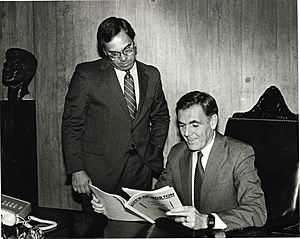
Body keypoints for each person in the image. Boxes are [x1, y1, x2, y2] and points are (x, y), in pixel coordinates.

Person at [92, 91, 267, 231]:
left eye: (194, 124)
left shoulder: (239, 153)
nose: (187, 133)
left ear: (212, 121)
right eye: (182, 125)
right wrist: (113, 209)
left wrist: (208, 221)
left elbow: (258, 211)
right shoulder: (177, 153)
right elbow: (155, 205)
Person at [62, 17, 170, 209]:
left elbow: (161, 117)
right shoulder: (87, 75)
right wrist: (76, 168)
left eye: (127, 49)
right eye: (114, 54)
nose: (123, 58)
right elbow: (72, 124)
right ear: (104, 52)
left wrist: (153, 148)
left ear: (134, 43)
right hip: (99, 173)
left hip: (141, 170)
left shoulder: (152, 75)